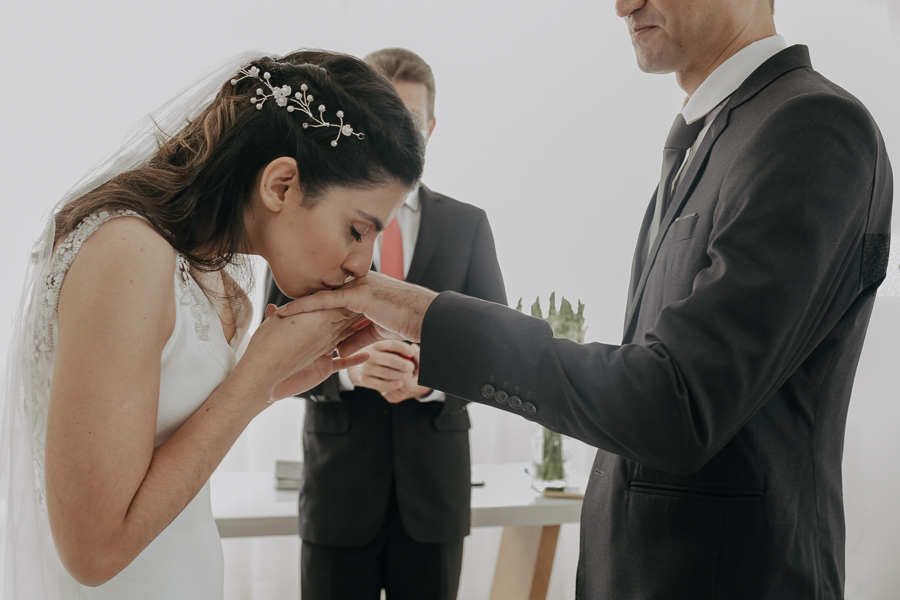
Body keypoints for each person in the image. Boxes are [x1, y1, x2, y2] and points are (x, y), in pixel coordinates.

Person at [275, 1, 894, 598]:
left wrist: (418, 313)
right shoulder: (710, 136)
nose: (622, 5)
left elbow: (672, 403)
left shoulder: (810, 128)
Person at [0, 49, 424, 600]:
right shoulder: (126, 254)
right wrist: (253, 381)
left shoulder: (223, 280)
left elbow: (170, 458)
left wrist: (273, 385)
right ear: (281, 185)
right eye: (356, 229)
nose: (361, 264)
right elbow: (93, 553)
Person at [264, 47, 506, 600]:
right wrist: (347, 371)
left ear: (431, 127)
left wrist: (431, 379)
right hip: (338, 494)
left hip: (435, 497)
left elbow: (497, 354)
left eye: (412, 123)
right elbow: (268, 342)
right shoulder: (304, 218)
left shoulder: (469, 225)